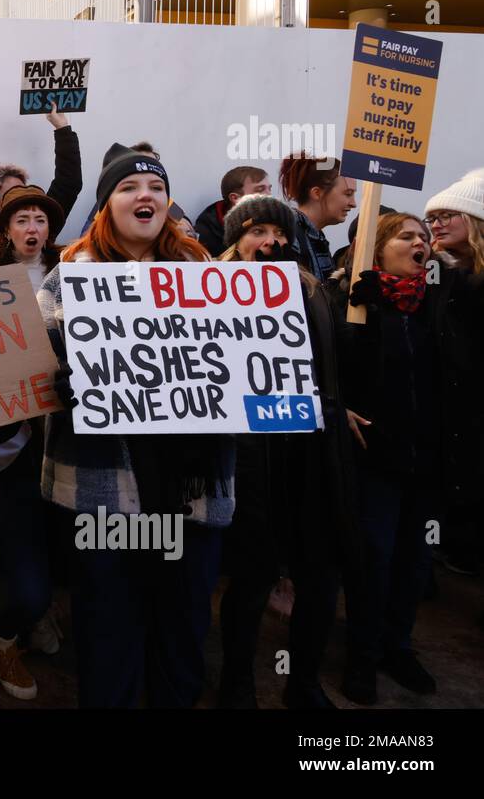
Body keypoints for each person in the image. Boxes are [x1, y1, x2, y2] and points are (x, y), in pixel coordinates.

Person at [37, 143, 234, 708]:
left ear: (166, 204)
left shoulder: (207, 275)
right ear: (106, 206)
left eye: (154, 187)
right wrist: (64, 381)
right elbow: (34, 371)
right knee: (108, 630)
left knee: (182, 630)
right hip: (106, 490)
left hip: (190, 495)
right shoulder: (69, 277)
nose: (143, 195)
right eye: (128, 188)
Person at [213, 194, 359, 709]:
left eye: (280, 235)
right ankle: (238, 683)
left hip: (311, 452)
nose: (271, 242)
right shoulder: (211, 291)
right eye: (257, 232)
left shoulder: (312, 289)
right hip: (254, 456)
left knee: (319, 572)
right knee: (252, 576)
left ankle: (304, 682)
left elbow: (333, 363)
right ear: (236, 240)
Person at [334, 212, 484, 705]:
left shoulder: (443, 300)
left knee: (415, 563)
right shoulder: (350, 301)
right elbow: (334, 373)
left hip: (430, 462)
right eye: (406, 236)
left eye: (423, 237)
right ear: (377, 249)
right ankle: (363, 654)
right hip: (376, 460)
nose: (419, 242)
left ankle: (398, 647)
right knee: (373, 560)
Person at [0, 185, 66, 701]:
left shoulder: (72, 279)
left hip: (38, 449)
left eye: (40, 220)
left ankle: (2, 637)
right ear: (5, 230)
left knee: (30, 588)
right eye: (22, 218)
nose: (32, 227)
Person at [421, 169, 484, 576]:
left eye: (448, 215)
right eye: (433, 217)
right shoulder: (439, 277)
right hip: (448, 420)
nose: (437, 224)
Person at [279, 152, 356, 279]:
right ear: (317, 193)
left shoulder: (315, 237)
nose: (353, 204)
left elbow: (324, 294)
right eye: (348, 194)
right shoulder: (290, 236)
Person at [193, 165, 270, 255]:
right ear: (235, 198)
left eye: (269, 188)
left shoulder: (277, 218)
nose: (269, 195)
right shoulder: (209, 228)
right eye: (260, 190)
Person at [424, 168, 484, 275]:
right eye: (431, 219)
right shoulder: (429, 264)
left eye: (446, 216)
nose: (435, 226)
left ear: (473, 220)